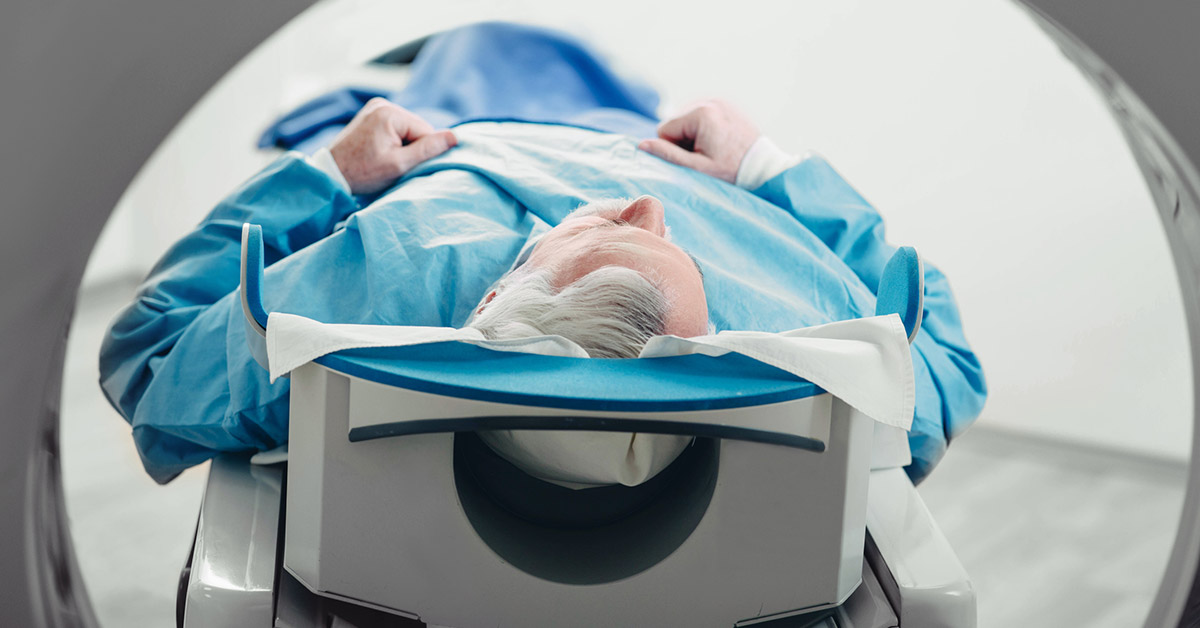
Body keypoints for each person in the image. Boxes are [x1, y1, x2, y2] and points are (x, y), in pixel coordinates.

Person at [100, 22, 986, 484]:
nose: (648, 208)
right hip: (645, 131)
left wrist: (331, 170)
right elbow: (945, 357)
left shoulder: (390, 275)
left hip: (461, 129)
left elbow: (148, 349)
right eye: (650, 236)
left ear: (491, 300)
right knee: (595, 70)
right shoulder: (800, 335)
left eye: (611, 230)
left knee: (469, 46)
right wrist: (763, 164)